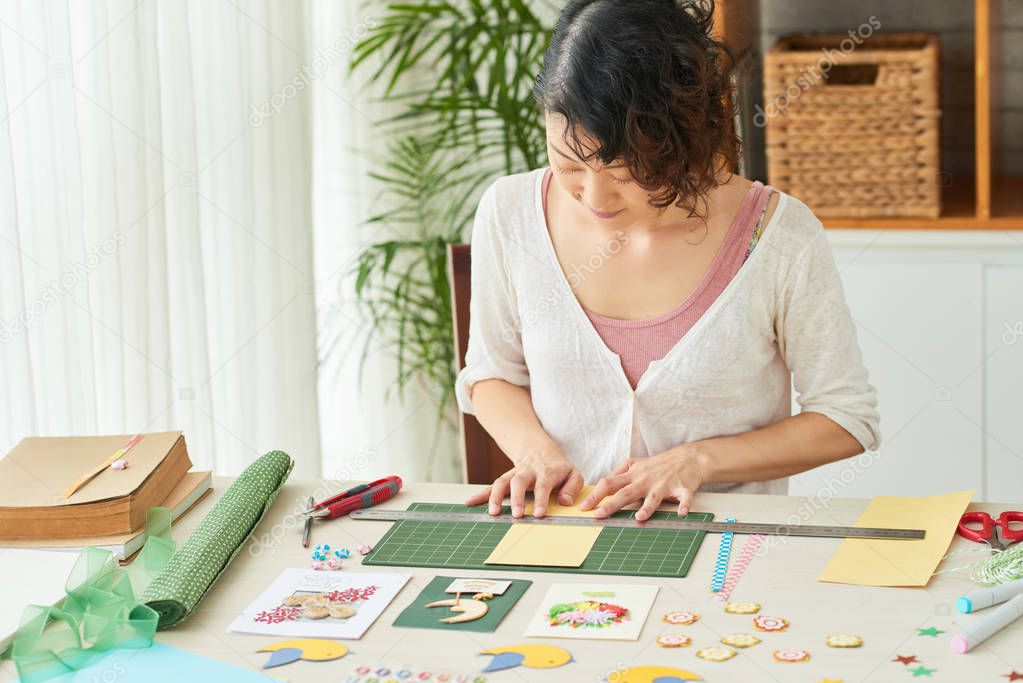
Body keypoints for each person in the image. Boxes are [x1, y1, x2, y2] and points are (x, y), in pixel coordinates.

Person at [454, 0, 880, 522]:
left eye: (626, 172)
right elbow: (491, 375)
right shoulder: (510, 212)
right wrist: (535, 452)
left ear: (683, 139)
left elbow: (845, 418)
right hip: (563, 540)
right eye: (568, 165)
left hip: (727, 551)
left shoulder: (777, 236)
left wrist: (698, 460)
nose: (594, 197)